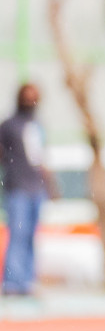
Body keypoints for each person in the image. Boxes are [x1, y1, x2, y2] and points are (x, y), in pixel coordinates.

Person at [1, 83, 53, 296]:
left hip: (36, 189)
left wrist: (49, 184)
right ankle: (13, 282)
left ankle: (27, 281)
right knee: (18, 234)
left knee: (31, 235)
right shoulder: (9, 126)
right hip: (18, 188)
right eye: (28, 97)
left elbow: (40, 159)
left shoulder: (37, 126)